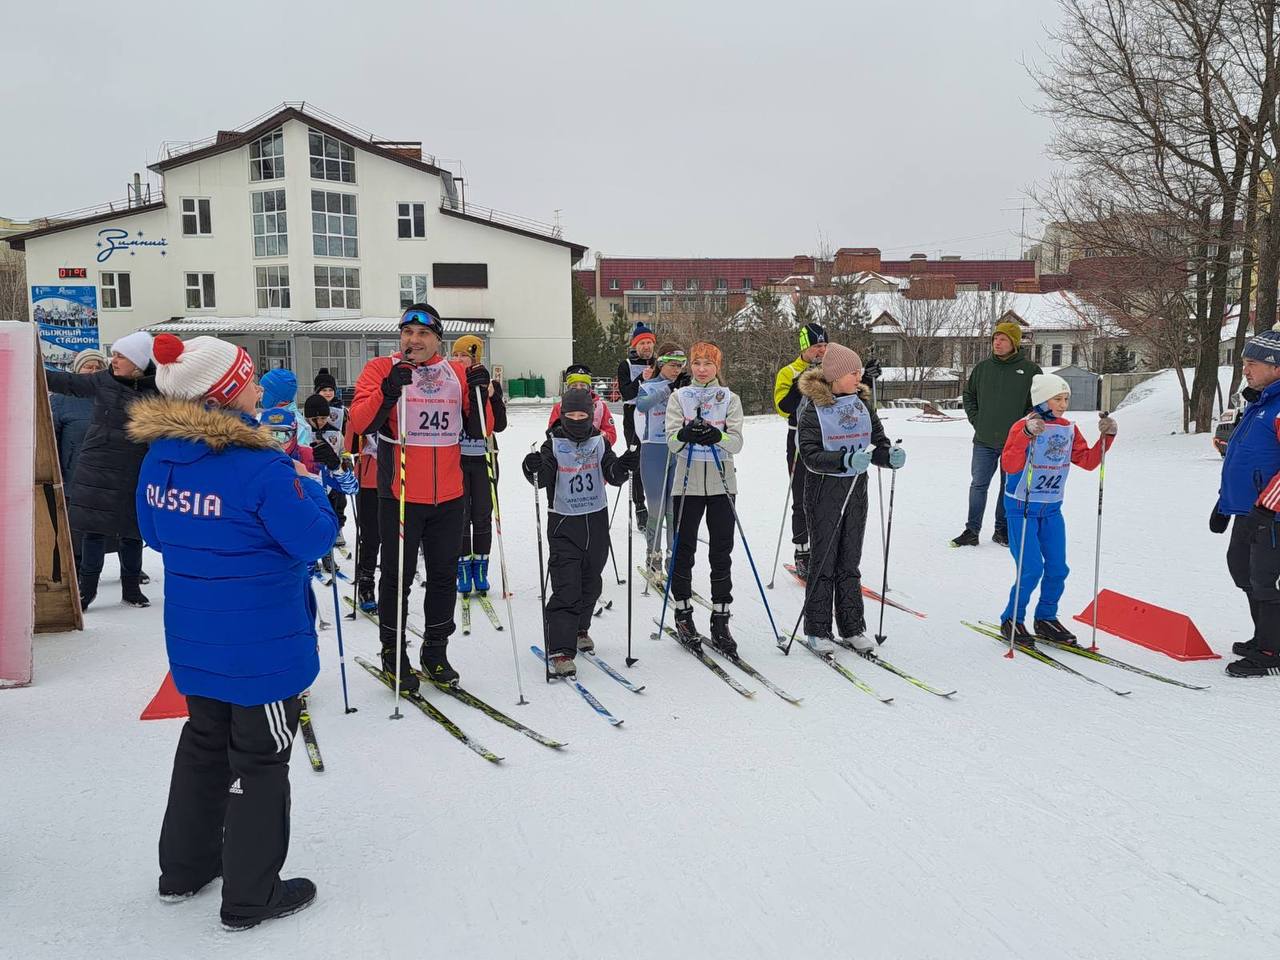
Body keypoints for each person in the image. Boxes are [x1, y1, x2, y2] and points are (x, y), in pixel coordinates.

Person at [129, 333, 336, 931]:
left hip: (196, 640)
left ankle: (185, 869)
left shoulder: (161, 457)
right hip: (262, 649)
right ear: (225, 393)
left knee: (202, 744)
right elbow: (314, 539)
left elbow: (155, 534)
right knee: (262, 758)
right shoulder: (262, 467)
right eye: (248, 376)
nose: (256, 383)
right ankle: (251, 895)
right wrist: (315, 490)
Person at [348, 303, 488, 689]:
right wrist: (388, 390)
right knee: (397, 577)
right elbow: (361, 422)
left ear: (437, 339)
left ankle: (436, 650)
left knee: (443, 576)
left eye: (423, 333)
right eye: (408, 332)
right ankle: (393, 653)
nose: (414, 340)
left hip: (449, 494)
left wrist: (482, 393)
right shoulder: (381, 369)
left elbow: (483, 429)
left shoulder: (455, 372)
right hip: (401, 494)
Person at [795, 343, 903, 655]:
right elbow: (811, 455)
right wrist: (842, 462)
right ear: (835, 375)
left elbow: (877, 442)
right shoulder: (813, 408)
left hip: (856, 492)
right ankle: (817, 630)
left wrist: (888, 455)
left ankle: (853, 627)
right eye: (852, 372)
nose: (859, 377)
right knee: (824, 562)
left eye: (858, 372)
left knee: (849, 562)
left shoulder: (862, 405)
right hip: (823, 494)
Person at [522, 389, 635, 676]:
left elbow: (613, 474)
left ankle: (580, 628)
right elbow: (543, 476)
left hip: (595, 523)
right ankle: (560, 649)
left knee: (591, 583)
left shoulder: (599, 442)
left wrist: (624, 465)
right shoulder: (553, 444)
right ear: (562, 415)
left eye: (581, 415)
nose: (576, 420)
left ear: (589, 415)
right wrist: (530, 466)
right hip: (564, 525)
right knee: (566, 586)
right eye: (570, 415)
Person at [997, 373, 1115, 644]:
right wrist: (1026, 435)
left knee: (1058, 569)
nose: (1063, 404)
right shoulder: (1022, 426)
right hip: (1021, 508)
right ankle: (1011, 619)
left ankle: (1046, 618)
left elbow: (1086, 461)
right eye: (1057, 399)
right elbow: (1010, 465)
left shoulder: (1067, 428)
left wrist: (1107, 437)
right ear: (1041, 400)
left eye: (1066, 399)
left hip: (1051, 509)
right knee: (1031, 568)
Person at [45, 331, 158, 610]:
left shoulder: (157, 389)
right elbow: (68, 382)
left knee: (133, 531)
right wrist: (36, 366)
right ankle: (87, 590)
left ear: (138, 362)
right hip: (97, 467)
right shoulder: (103, 380)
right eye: (115, 354)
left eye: (121, 356)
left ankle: (131, 589)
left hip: (135, 467)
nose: (113, 360)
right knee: (93, 531)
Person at [663, 341, 744, 654]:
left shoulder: (730, 398)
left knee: (721, 551)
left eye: (707, 364)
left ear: (717, 367)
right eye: (696, 363)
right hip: (687, 484)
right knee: (684, 550)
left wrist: (716, 435)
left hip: (723, 483)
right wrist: (684, 435)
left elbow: (736, 443)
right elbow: (672, 441)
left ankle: (721, 618)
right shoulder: (679, 397)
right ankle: (683, 614)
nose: (701, 369)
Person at [1212, 325, 1280, 677]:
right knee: (1242, 570)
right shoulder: (1258, 403)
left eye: (1253, 362)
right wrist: (1223, 504)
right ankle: (1263, 637)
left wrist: (1266, 507)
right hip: (1247, 511)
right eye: (1244, 362)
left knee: (1263, 578)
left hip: (1272, 516)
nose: (1246, 369)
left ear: (1276, 367)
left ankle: (1272, 651)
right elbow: (1241, 458)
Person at [953, 321, 1042, 548]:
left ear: (1013, 342)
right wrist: (977, 419)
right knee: (978, 485)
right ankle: (971, 530)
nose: (997, 343)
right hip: (984, 440)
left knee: (1007, 486)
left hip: (1014, 443)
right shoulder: (983, 368)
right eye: (995, 339)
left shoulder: (1030, 370)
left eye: (1002, 339)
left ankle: (1001, 530)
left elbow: (1037, 405)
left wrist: (1024, 428)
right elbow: (968, 394)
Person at [450, 335, 507, 596]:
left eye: (466, 356)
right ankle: (463, 568)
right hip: (458, 459)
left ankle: (481, 568)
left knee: (482, 514)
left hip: (484, 457)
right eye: (457, 355)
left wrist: (492, 396)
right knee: (460, 516)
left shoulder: (488, 383)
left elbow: (501, 424)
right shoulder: (450, 383)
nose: (460, 360)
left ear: (477, 358)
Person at [774, 322, 829, 580]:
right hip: (798, 438)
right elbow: (782, 407)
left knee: (824, 498)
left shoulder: (830, 370)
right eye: (817, 346)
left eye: (825, 346)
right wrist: (800, 385)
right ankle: (802, 552)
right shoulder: (788, 371)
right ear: (805, 347)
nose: (821, 351)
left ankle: (823, 549)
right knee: (802, 498)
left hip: (826, 438)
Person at [50, 348, 107, 570]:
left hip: (108, 471)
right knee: (78, 527)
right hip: (75, 472)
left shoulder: (112, 395)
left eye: (97, 367)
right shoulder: (61, 400)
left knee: (116, 525)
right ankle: (78, 567)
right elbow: (53, 438)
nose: (92, 371)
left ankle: (128, 570)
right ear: (77, 369)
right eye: (87, 366)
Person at [635, 345, 690, 572]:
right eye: (672, 365)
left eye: (680, 366)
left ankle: (671, 557)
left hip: (677, 448)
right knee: (656, 508)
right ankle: (653, 555)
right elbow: (642, 404)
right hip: (653, 451)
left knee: (673, 509)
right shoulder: (649, 385)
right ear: (661, 363)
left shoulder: (682, 388)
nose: (676, 370)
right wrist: (669, 389)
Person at [617, 322, 657, 528]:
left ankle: (658, 505)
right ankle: (640, 506)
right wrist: (641, 378)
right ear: (635, 345)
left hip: (655, 415)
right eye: (642, 343)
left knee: (655, 460)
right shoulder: (626, 365)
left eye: (649, 342)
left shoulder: (658, 363)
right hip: (633, 416)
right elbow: (626, 393)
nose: (646, 347)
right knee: (637, 461)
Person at [345, 418, 381, 612]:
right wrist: (357, 420)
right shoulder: (365, 407)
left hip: (397, 480)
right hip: (368, 481)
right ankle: (366, 585)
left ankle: (392, 588)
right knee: (370, 537)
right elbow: (350, 446)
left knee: (394, 537)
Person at [547, 363, 617, 445]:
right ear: (568, 388)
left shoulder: (600, 407)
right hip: (567, 452)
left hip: (594, 452)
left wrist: (599, 435)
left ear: (589, 387)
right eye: (574, 386)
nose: (578, 389)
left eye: (583, 386)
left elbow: (611, 436)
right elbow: (551, 434)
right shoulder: (560, 407)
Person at [260, 367, 312, 445]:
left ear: (276, 396)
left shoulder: (299, 426)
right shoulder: (261, 416)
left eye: (263, 390)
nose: (259, 394)